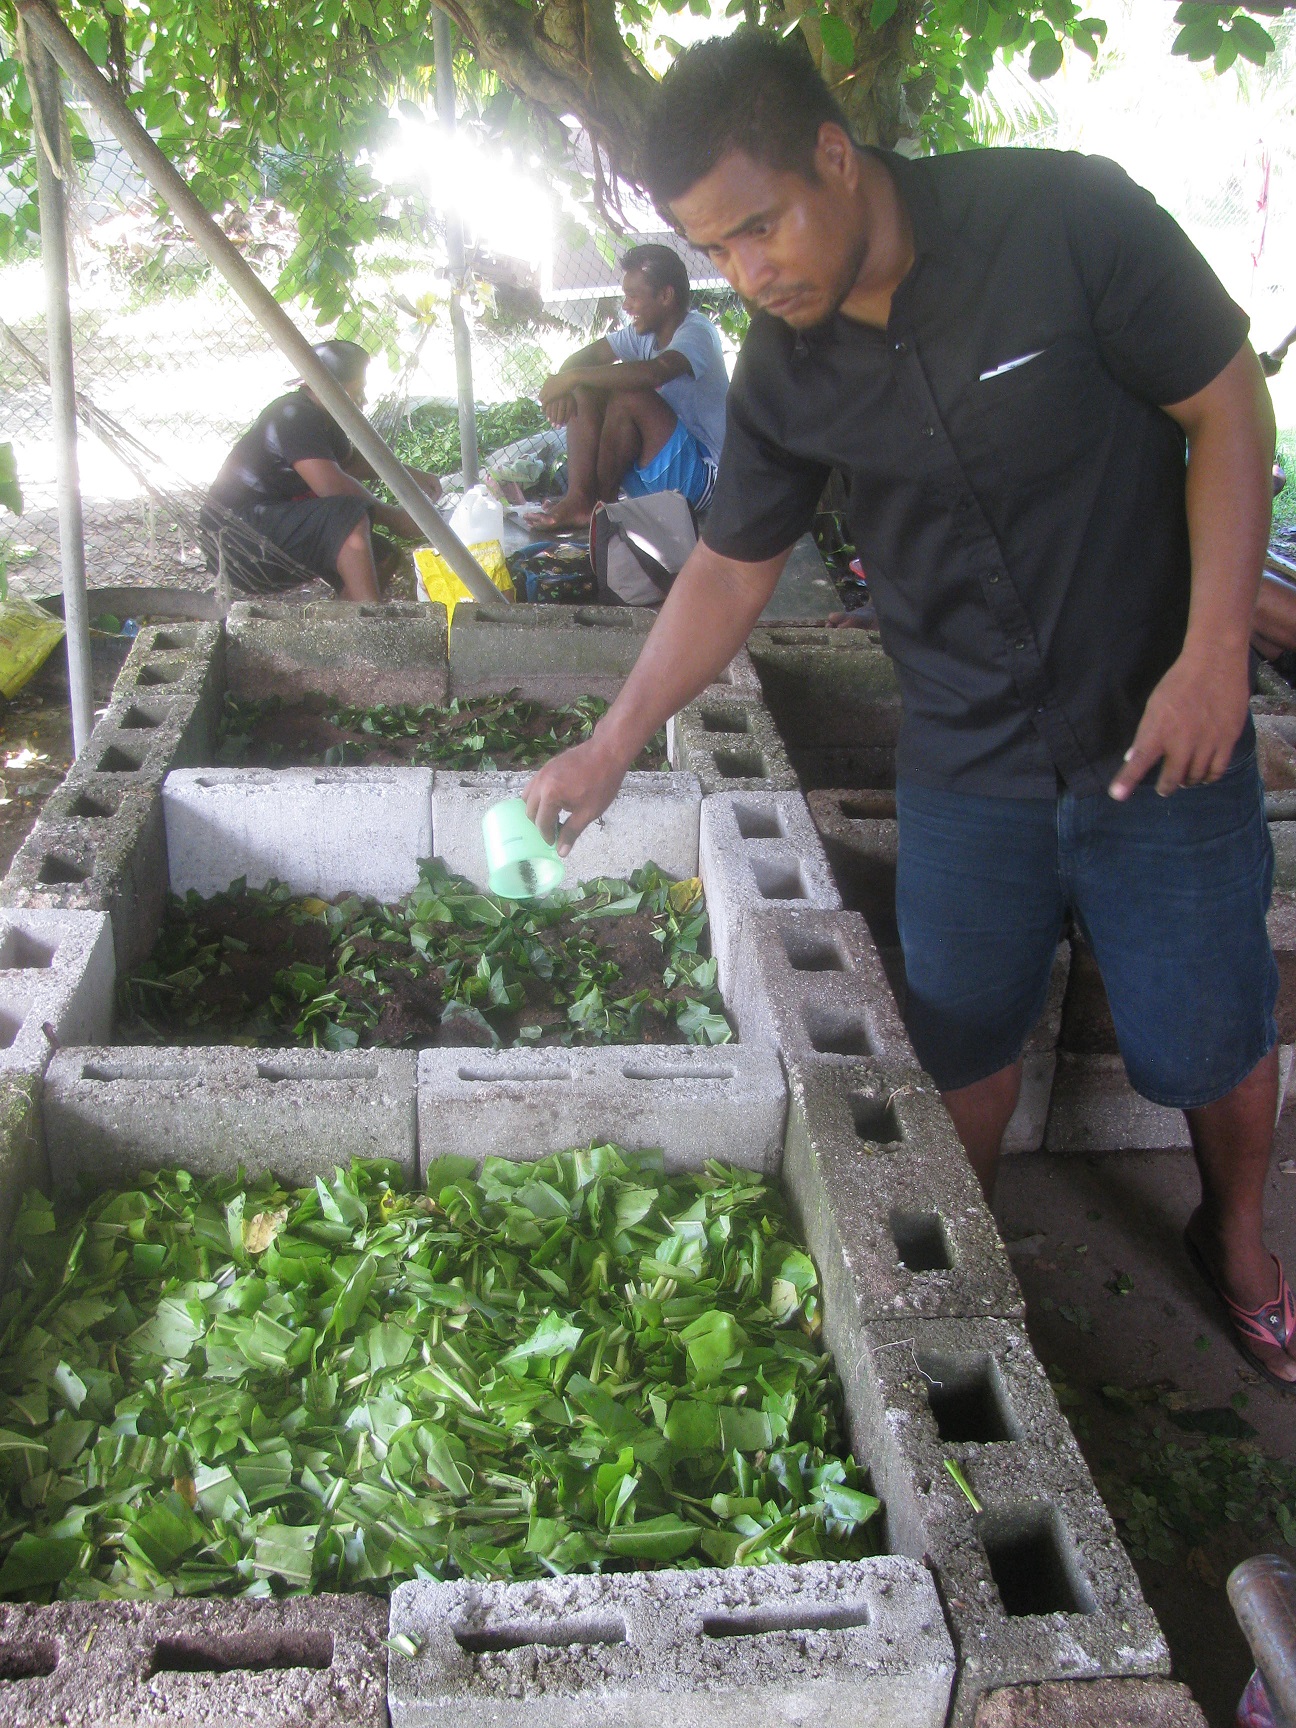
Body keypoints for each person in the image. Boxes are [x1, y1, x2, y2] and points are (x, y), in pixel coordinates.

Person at [524, 32, 1295, 1390]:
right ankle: (963, 1273)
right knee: (959, 1037)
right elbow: (729, 566)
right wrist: (612, 736)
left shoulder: (1063, 217)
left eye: (762, 225)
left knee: (1213, 1034)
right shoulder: (782, 368)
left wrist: (1217, 647)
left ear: (837, 151)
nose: (752, 273)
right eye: (720, 251)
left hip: (1163, 726)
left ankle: (1237, 1239)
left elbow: (1227, 402)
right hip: (967, 757)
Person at [201, 339, 441, 602]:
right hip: (236, 540)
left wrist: (414, 476)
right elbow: (332, 485)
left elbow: (350, 463)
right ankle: (373, 627)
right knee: (348, 516)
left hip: (273, 529)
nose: (364, 400)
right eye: (358, 390)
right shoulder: (293, 416)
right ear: (330, 387)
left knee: (381, 557)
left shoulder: (327, 417)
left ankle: (344, 629)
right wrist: (396, 520)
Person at [529, 244, 728, 529]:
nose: (625, 306)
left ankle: (603, 506)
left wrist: (572, 377)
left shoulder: (697, 332)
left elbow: (656, 372)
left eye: (633, 296)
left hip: (703, 479)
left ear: (665, 296)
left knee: (628, 395)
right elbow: (585, 359)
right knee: (585, 389)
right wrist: (566, 383)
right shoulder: (643, 335)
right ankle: (582, 500)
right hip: (660, 476)